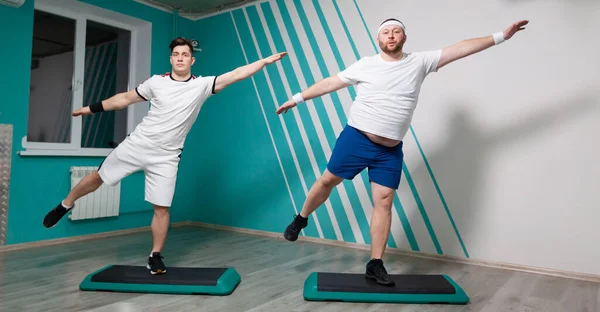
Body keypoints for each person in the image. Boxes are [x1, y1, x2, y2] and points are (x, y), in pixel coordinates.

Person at [276, 18, 528, 285]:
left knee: (384, 202)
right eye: (385, 32)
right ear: (379, 40)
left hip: (390, 150)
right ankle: (301, 219)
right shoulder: (366, 65)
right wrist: (297, 98)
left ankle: (375, 264)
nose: (391, 35)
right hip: (357, 138)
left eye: (396, 31)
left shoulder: (419, 62)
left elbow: (460, 48)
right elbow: (330, 83)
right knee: (328, 180)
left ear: (404, 37)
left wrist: (501, 35)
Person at [43, 37, 287, 275]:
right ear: (171, 59)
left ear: (192, 61)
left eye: (185, 55)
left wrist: (263, 62)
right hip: (137, 144)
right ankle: (65, 204)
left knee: (161, 208)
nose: (180, 58)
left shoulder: (202, 85)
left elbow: (236, 74)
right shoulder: (156, 83)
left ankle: (155, 255)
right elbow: (125, 99)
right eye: (176, 55)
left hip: (167, 157)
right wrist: (90, 109)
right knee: (98, 177)